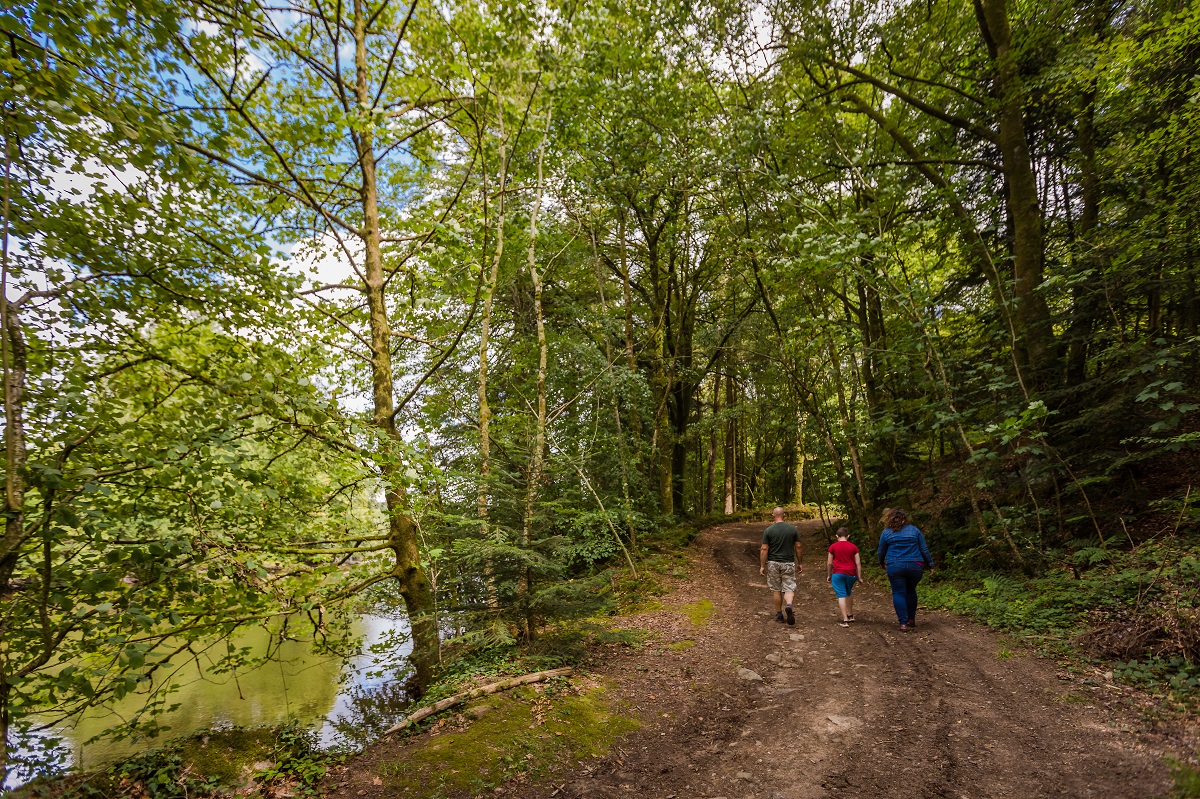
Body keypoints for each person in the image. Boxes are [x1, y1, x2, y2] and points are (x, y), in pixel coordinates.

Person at [876, 508, 934, 632]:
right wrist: (930, 564)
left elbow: (881, 550)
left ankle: (903, 623)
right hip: (915, 566)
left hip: (895, 565)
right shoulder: (914, 530)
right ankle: (911, 619)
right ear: (905, 519)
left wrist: (881, 562)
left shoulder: (886, 532)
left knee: (898, 593)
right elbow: (924, 549)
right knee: (911, 590)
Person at [760, 507, 803, 625]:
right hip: (788, 562)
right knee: (789, 587)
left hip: (773, 563)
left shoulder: (768, 530)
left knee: (776, 589)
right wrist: (800, 563)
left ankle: (779, 615)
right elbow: (798, 546)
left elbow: (764, 548)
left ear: (773, 515)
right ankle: (788, 605)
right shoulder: (792, 529)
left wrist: (762, 565)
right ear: (784, 515)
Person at [826, 527, 861, 628]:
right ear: (848, 536)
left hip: (838, 574)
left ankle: (845, 620)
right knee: (848, 592)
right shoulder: (854, 547)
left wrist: (829, 575)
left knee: (841, 595)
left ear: (836, 536)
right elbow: (858, 563)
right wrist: (859, 576)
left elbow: (829, 563)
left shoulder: (833, 547)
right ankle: (850, 615)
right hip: (851, 574)